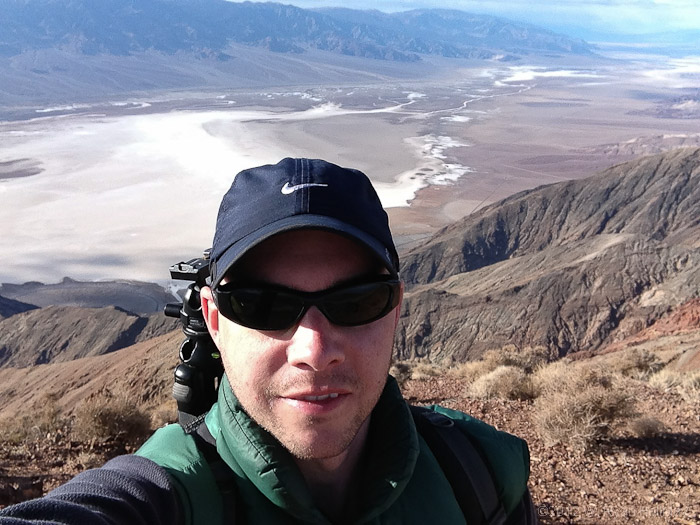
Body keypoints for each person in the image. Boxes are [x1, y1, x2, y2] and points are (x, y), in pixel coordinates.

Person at [0, 158, 537, 524]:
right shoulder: (165, 499)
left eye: (355, 302)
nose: (313, 348)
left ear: (395, 309)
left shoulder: (484, 472)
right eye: (260, 306)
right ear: (212, 318)